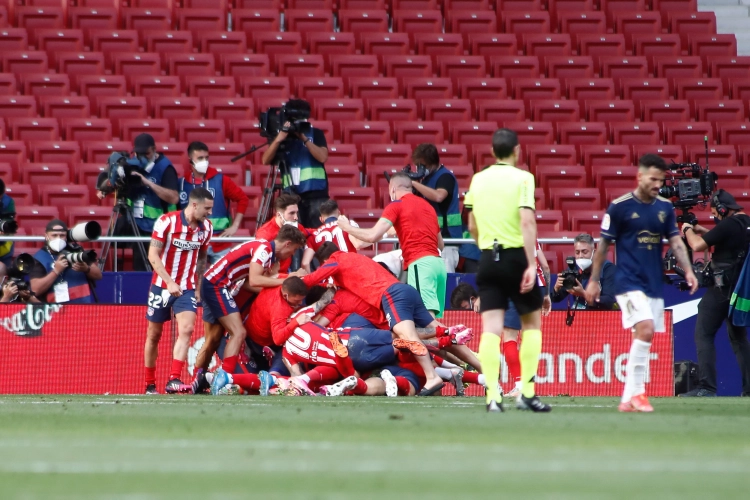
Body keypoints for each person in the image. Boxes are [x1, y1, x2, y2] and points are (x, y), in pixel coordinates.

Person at [585, 153, 698, 412]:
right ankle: (638, 394)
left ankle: (628, 398)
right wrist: (594, 279)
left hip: (653, 284)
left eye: (661, 179)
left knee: (643, 336)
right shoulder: (619, 207)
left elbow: (676, 241)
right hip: (627, 281)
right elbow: (603, 245)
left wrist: (689, 270)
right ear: (640, 176)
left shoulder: (664, 208)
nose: (658, 184)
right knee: (646, 328)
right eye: (653, 178)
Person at [465, 128, 549, 413]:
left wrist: (485, 248)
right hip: (515, 257)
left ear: (492, 152)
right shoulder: (524, 178)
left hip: (488, 258)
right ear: (517, 151)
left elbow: (472, 226)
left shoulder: (478, 179)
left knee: (490, 330)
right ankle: (526, 392)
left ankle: (492, 396)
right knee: (532, 325)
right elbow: (527, 222)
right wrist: (529, 263)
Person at [303, 243, 449, 395]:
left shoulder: (335, 299)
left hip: (352, 346)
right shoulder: (356, 272)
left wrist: (302, 318)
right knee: (416, 344)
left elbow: (318, 328)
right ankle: (457, 359)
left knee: (405, 343)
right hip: (379, 335)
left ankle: (349, 383)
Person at [199, 226, 308, 390]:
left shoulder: (266, 252)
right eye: (293, 250)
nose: (291, 255)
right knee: (238, 332)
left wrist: (277, 288)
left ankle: (201, 380)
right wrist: (287, 280)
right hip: (216, 285)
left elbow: (250, 284)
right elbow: (255, 280)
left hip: (218, 284)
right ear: (287, 244)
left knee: (213, 340)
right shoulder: (264, 249)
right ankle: (225, 379)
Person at [338, 172, 447, 318]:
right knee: (438, 322)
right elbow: (441, 245)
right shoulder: (428, 207)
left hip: (420, 264)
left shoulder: (397, 205)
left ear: (393, 189)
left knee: (427, 321)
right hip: (439, 265)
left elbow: (372, 236)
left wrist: (347, 227)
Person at [143, 187, 214, 395]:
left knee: (187, 329)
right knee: (154, 334)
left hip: (187, 288)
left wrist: (197, 286)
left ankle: (173, 379)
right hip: (161, 287)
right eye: (207, 208)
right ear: (194, 205)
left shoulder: (206, 229)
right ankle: (149, 384)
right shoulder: (167, 222)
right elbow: (152, 255)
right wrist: (169, 282)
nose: (209, 213)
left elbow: (202, 257)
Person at [680, 189, 750, 397]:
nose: (715, 217)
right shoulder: (745, 223)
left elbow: (697, 244)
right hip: (739, 291)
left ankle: (707, 387)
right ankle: (749, 390)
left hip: (722, 288)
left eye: (715, 213)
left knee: (704, 333)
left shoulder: (728, 224)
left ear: (722, 209)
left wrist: (687, 230)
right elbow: (728, 241)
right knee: (738, 339)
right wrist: (702, 229)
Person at [98, 133, 180, 271]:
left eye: (146, 154)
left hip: (157, 227)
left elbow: (174, 198)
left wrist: (147, 183)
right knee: (139, 266)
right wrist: (114, 178)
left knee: (155, 266)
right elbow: (103, 188)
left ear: (154, 149)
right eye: (138, 153)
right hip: (135, 223)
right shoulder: (130, 164)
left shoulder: (165, 168)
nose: (142, 158)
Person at [261, 99, 329, 229]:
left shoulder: (315, 133)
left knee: (318, 233)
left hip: (316, 194)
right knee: (293, 235)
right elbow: (265, 160)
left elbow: (322, 157)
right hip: (290, 194)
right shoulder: (281, 136)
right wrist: (278, 139)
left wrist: (304, 139)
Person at [178, 141, 250, 264]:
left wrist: (235, 226)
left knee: (222, 281)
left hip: (220, 243)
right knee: (192, 281)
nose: (204, 161)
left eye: (206, 158)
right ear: (190, 159)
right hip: (192, 242)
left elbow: (243, 199)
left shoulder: (221, 180)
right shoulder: (181, 183)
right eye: (200, 158)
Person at [409, 144, 463, 273]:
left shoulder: (445, 177)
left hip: (447, 239)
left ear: (432, 163)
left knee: (445, 279)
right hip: (429, 238)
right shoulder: (425, 180)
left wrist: (413, 183)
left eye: (423, 165)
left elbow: (439, 196)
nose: (420, 169)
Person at [28, 219, 103, 304]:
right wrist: (56, 271)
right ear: (46, 235)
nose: (58, 238)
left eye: (62, 235)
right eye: (54, 235)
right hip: (55, 311)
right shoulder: (39, 258)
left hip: (82, 308)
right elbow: (35, 290)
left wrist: (86, 269)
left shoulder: (76, 251)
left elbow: (98, 275)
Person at [551, 233, 617, 310]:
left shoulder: (608, 269)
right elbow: (555, 299)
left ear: (594, 252)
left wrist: (583, 294)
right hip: (580, 315)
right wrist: (556, 289)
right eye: (577, 252)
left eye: (584, 252)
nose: (580, 256)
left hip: (601, 315)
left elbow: (608, 302)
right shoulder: (573, 269)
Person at [301, 199, 368, 270]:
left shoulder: (314, 235)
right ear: (339, 213)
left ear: (321, 219)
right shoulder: (349, 224)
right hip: (350, 272)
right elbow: (358, 244)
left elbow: (305, 263)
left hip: (329, 277)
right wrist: (375, 238)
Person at [256, 193, 310, 273]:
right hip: (270, 276)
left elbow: (311, 233)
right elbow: (261, 271)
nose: (296, 217)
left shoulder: (295, 227)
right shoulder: (265, 234)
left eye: (296, 213)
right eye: (291, 213)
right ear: (279, 215)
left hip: (286, 272)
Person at [0, 178, 16, 267]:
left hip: (4, 248)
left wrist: (4, 230)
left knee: (4, 274)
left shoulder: (8, 202)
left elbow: (10, 222)